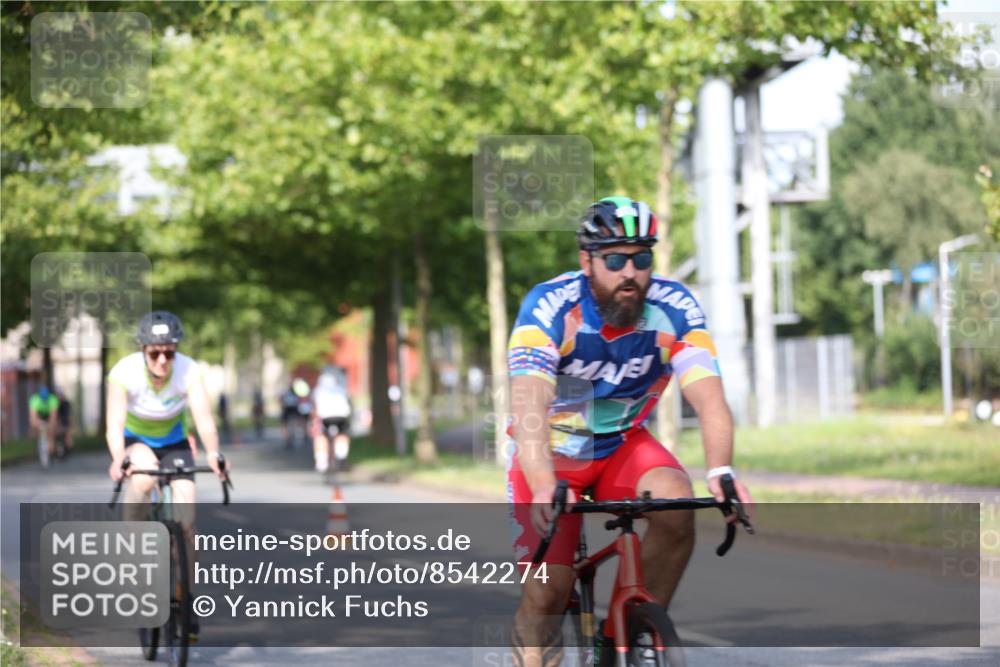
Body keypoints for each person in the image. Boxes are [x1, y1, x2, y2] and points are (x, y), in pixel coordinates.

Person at [506, 197, 754, 665]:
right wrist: (542, 483)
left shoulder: (675, 306)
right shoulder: (549, 307)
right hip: (553, 450)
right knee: (547, 595)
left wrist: (721, 467)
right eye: (615, 259)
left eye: (641, 258)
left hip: (623, 443)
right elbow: (529, 403)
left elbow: (708, 396)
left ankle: (630, 628)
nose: (630, 273)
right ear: (587, 261)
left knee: (676, 503)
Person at [105, 311, 229, 639]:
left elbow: (203, 419)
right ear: (143, 350)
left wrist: (214, 452)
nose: (163, 360)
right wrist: (119, 458)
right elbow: (114, 423)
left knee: (188, 524)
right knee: (143, 477)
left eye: (169, 353)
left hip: (174, 442)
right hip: (136, 441)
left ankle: (186, 599)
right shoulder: (124, 372)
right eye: (155, 353)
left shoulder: (189, 371)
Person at [311, 366, 352, 473]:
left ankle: (321, 460)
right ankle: (341, 454)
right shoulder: (341, 389)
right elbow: (349, 403)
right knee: (342, 434)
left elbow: (314, 408)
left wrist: (314, 419)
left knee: (321, 436)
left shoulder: (318, 390)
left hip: (325, 416)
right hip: (341, 416)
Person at [28, 385, 59, 458]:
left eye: (46, 400)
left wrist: (51, 426)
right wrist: (35, 424)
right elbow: (33, 416)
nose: (44, 401)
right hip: (39, 415)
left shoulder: (53, 400)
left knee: (51, 428)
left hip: (48, 415)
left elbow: (53, 416)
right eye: (43, 400)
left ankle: (51, 443)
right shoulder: (35, 400)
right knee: (34, 426)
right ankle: (38, 440)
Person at [280, 384, 301, 449]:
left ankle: (287, 439)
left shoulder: (285, 393)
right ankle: (290, 436)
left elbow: (281, 401)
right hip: (293, 409)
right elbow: (298, 402)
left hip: (288, 409)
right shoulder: (295, 394)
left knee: (285, 425)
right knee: (291, 425)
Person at [54, 388, 73, 457]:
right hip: (57, 421)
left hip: (65, 420)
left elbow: (67, 415)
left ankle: (69, 448)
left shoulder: (66, 403)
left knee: (68, 433)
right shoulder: (55, 404)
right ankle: (56, 448)